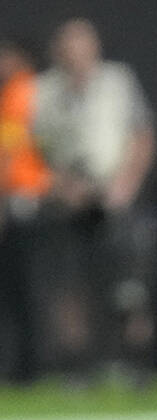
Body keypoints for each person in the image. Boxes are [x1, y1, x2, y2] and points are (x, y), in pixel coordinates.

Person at [31, 17, 157, 386]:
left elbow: (142, 134)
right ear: (58, 51)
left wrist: (125, 184)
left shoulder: (117, 82)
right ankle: (79, 368)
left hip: (116, 199)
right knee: (71, 288)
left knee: (131, 287)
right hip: (67, 202)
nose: (78, 54)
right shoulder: (41, 91)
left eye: (84, 45)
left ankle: (136, 365)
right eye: (70, 46)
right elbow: (29, 150)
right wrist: (60, 186)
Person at [0, 36, 51, 384]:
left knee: (28, 289)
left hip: (28, 200)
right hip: (24, 200)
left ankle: (30, 369)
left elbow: (9, 152)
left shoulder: (24, 90)